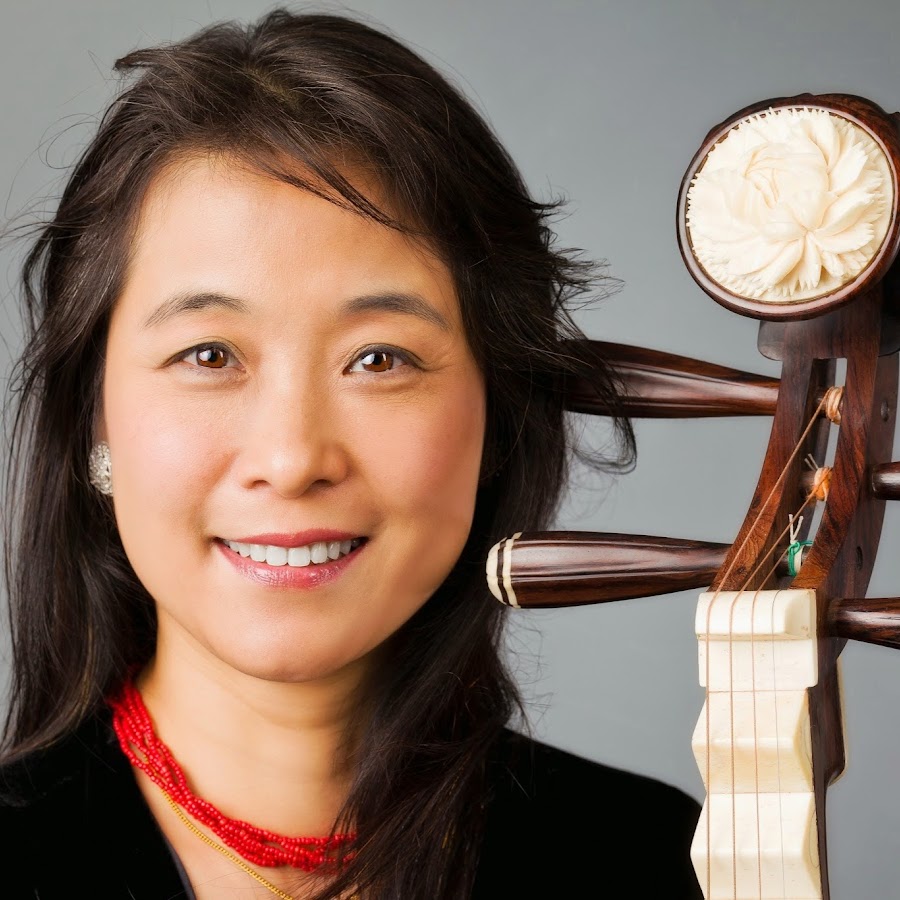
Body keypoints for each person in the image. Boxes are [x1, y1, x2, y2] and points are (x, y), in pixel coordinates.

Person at [0, 10, 702, 899]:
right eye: (209, 355)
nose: (293, 458)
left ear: (497, 416)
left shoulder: (649, 860)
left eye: (379, 359)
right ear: (94, 422)